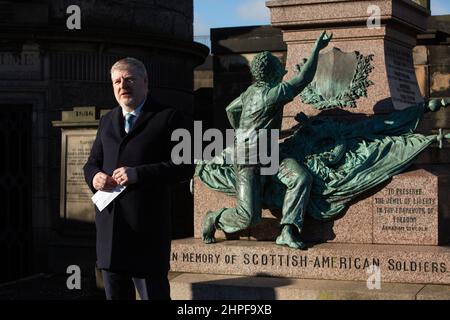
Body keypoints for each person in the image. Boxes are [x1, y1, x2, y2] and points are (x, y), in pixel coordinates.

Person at [202, 31, 332, 250]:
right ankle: (214, 218)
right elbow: (304, 79)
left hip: (270, 156)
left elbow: (230, 109)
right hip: (249, 159)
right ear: (273, 73)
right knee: (249, 217)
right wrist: (316, 49)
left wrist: (244, 132)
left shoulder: (250, 92)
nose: (285, 71)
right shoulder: (273, 93)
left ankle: (288, 230)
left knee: (300, 178)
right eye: (281, 68)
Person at [84, 57, 191, 300]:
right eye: (117, 81)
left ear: (145, 82)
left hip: (146, 235)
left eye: (130, 79)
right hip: (110, 234)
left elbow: (185, 166)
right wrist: (95, 178)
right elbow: (91, 164)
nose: (123, 85)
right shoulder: (107, 120)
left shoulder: (169, 117)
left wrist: (138, 174)